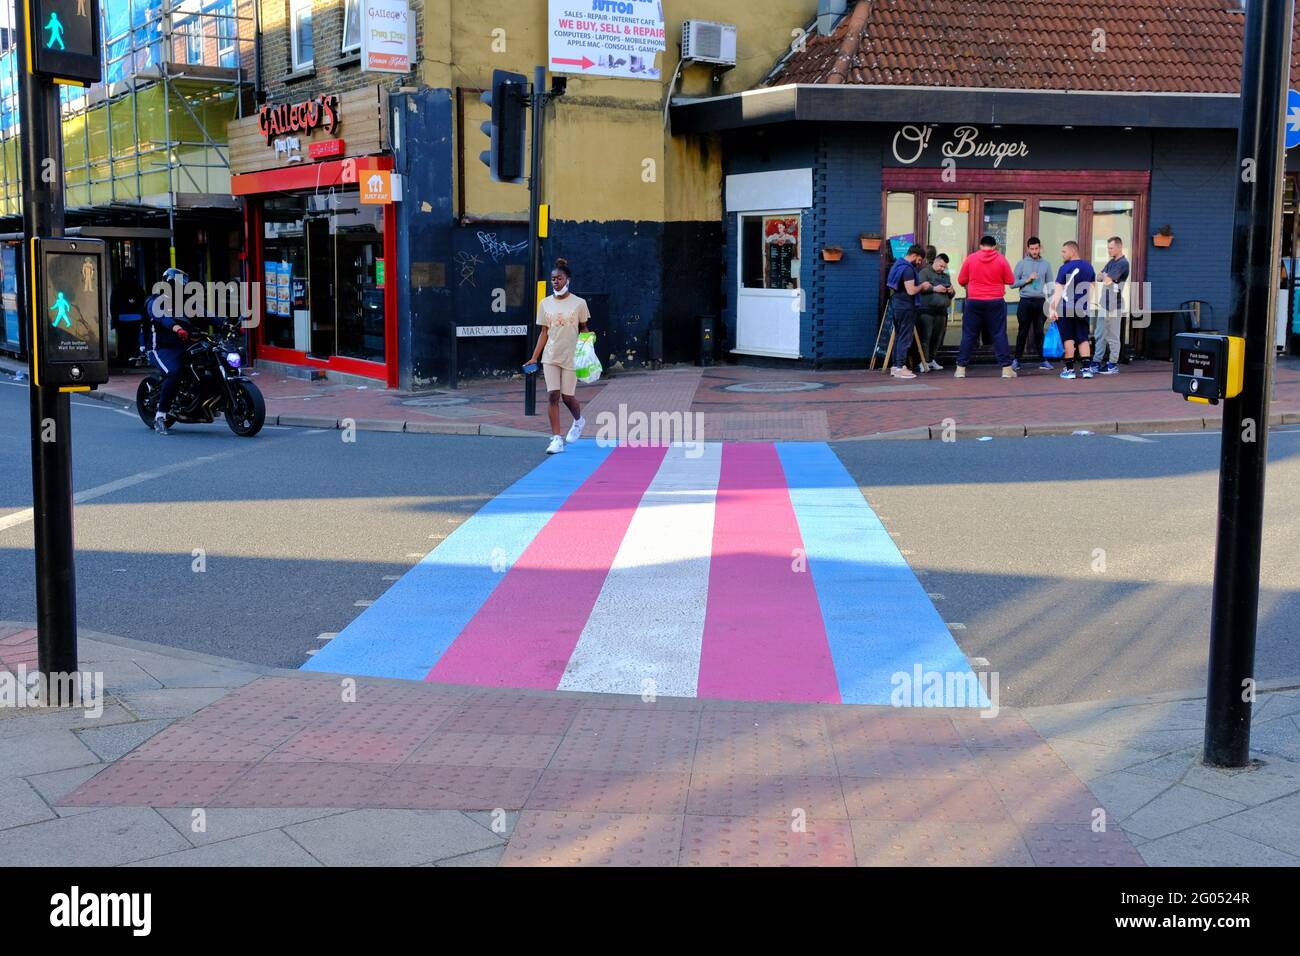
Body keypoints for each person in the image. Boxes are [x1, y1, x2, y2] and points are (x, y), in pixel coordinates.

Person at [525, 258, 589, 455]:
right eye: (553, 279)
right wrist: (534, 357)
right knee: (553, 395)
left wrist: (588, 343)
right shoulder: (545, 304)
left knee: (567, 397)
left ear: (567, 279)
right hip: (550, 356)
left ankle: (579, 421)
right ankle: (556, 439)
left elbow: (584, 328)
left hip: (571, 357)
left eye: (559, 279)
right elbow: (544, 332)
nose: (555, 282)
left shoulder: (579, 303)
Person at [145, 267, 198, 434]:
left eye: (185, 284)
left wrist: (225, 323)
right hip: (160, 349)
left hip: (182, 346)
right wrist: (176, 328)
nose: (183, 287)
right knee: (174, 372)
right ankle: (160, 417)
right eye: (179, 284)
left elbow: (204, 313)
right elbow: (163, 318)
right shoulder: (155, 302)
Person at [955, 235, 1017, 379]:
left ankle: (960, 369)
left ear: (980, 245)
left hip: (974, 300)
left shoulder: (971, 258)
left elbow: (961, 280)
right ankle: (1006, 369)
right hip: (995, 301)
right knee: (999, 334)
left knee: (969, 334)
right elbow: (1010, 280)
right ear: (995, 246)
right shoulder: (1001, 259)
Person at [1047, 241, 1097, 379]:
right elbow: (1092, 286)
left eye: (1064, 251)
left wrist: (1052, 308)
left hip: (1066, 308)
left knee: (1068, 338)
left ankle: (1069, 371)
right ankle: (1086, 369)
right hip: (1082, 308)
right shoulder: (1088, 266)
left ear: (1073, 251)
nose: (1062, 254)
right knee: (1083, 338)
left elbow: (1058, 290)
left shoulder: (1065, 268)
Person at [884, 244, 932, 380]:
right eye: (919, 260)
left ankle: (895, 366)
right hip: (906, 307)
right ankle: (900, 367)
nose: (919, 263)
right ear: (914, 255)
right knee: (905, 337)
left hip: (897, 305)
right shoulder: (908, 269)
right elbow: (911, 290)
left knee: (899, 336)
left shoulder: (897, 265)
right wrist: (922, 286)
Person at [1012, 237, 1053, 371]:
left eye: (1036, 248)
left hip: (1040, 302)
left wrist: (1052, 304)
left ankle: (1043, 360)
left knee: (1039, 332)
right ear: (1028, 249)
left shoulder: (1046, 264)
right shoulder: (1022, 264)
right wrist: (1027, 280)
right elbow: (1012, 284)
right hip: (1025, 301)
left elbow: (1050, 284)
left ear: (1040, 248)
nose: (1034, 251)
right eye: (1032, 249)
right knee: (1022, 331)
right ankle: (1017, 360)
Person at [1090, 237, 1130, 375]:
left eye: (1111, 248)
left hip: (1115, 305)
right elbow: (1099, 276)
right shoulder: (1111, 262)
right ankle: (1096, 361)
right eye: (1108, 248)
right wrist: (1106, 276)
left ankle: (1112, 364)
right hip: (1103, 304)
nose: (1109, 250)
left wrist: (1106, 276)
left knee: (1112, 336)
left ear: (1119, 247)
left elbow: (1106, 280)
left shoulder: (1123, 263)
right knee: (1099, 334)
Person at [916, 253, 954, 371]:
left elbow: (951, 294)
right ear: (936, 262)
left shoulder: (945, 276)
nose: (942, 269)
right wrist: (934, 288)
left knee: (937, 337)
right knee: (926, 337)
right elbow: (919, 288)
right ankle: (923, 361)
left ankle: (931, 360)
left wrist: (951, 291)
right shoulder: (924, 272)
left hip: (941, 311)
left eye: (944, 267)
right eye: (941, 266)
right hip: (927, 310)